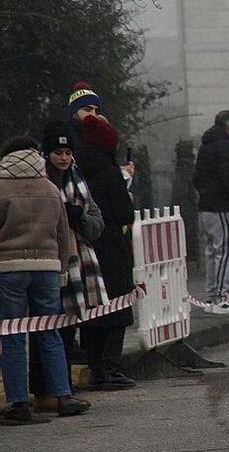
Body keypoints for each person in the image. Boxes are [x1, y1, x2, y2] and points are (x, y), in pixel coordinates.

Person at [0, 136, 91, 423]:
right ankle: (62, 395)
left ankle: (18, 402)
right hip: (48, 268)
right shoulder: (50, 188)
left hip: (9, 268)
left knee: (13, 335)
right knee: (49, 331)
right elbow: (63, 234)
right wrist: (61, 269)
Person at [29, 120, 105, 405]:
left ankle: (61, 388)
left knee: (67, 328)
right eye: (58, 152)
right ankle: (46, 390)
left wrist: (79, 218)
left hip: (78, 267)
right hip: (47, 263)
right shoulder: (39, 181)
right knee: (45, 330)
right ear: (47, 154)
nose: (64, 158)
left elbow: (99, 224)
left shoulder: (78, 179)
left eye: (68, 152)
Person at [69, 113, 137, 388]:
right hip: (111, 248)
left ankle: (94, 365)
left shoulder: (76, 170)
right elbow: (124, 214)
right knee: (117, 306)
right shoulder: (110, 173)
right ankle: (111, 367)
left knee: (91, 308)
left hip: (84, 247)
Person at [192, 109, 229, 313]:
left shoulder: (206, 145)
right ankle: (221, 298)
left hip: (207, 206)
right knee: (226, 252)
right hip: (222, 206)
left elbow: (197, 178)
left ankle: (212, 297)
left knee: (212, 251)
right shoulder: (225, 146)